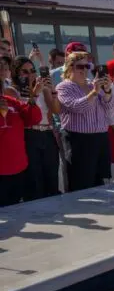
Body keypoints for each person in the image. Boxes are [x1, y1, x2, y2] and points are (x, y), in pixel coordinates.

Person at [56, 52, 113, 192]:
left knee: (101, 181)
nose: (84, 69)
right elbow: (78, 107)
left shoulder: (93, 84)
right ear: (69, 68)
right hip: (79, 140)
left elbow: (110, 110)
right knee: (81, 181)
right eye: (80, 66)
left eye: (87, 66)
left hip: (100, 138)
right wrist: (94, 92)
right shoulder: (64, 87)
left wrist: (107, 92)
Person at [12, 57, 60, 201]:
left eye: (32, 70)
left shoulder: (42, 87)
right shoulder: (15, 90)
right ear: (17, 73)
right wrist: (35, 92)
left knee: (51, 174)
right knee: (34, 178)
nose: (30, 74)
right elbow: (25, 114)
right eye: (25, 72)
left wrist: (52, 90)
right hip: (29, 134)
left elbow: (56, 109)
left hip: (47, 133)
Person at [0, 90, 44, 206]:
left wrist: (32, 102)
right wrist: (2, 116)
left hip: (18, 165)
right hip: (1, 168)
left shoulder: (10, 101)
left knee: (16, 204)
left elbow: (33, 118)